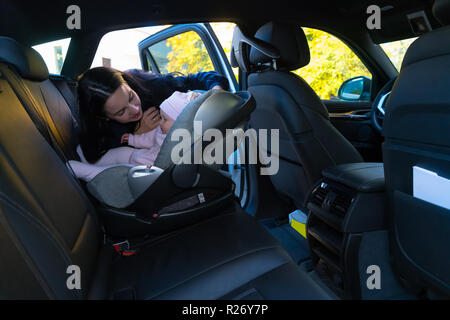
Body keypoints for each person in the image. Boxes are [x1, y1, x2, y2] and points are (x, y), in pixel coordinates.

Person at [77, 67, 229, 164]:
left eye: (131, 96)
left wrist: (217, 92)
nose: (135, 109)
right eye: (121, 112)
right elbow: (93, 155)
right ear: (104, 117)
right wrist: (136, 135)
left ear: (128, 84)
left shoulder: (152, 86)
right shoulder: (102, 133)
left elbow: (205, 77)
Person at [68, 90, 201, 181]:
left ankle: (89, 172)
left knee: (120, 171)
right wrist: (133, 139)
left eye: (165, 119)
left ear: (182, 124)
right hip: (140, 155)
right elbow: (148, 139)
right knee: (123, 152)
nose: (160, 122)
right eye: (161, 117)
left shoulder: (185, 143)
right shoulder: (162, 130)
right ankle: (91, 160)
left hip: (146, 170)